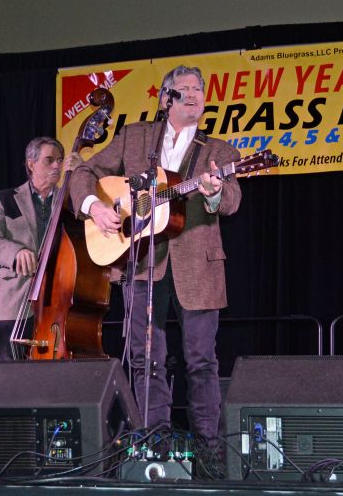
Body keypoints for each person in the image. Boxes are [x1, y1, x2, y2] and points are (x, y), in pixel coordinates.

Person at [70, 65, 242, 444]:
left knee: (201, 361)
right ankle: (154, 443)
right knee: (145, 360)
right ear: (166, 98)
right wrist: (94, 207)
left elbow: (232, 200)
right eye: (185, 89)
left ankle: (208, 449)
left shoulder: (219, 151)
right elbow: (84, 172)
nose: (194, 94)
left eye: (198, 89)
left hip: (199, 267)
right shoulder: (135, 138)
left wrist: (215, 192)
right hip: (142, 263)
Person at [0, 137, 80, 360]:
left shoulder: (71, 201)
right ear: (31, 164)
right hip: (15, 300)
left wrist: (81, 175)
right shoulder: (4, 199)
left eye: (60, 160)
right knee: (9, 371)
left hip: (58, 300)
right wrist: (15, 252)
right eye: (49, 160)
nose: (57, 165)